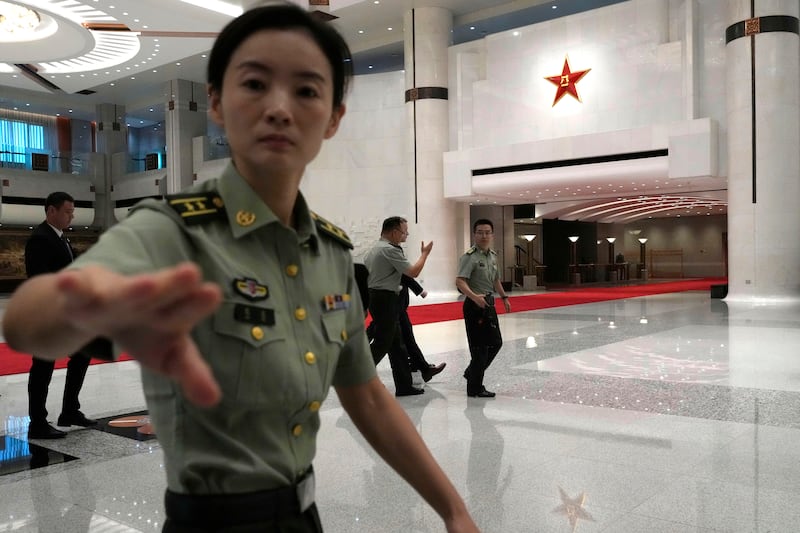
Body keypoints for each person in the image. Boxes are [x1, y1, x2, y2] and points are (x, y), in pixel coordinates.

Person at [2, 4, 478, 532]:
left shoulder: (329, 253)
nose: (279, 107)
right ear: (216, 103)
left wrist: (453, 509)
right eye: (254, 83)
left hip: (304, 514)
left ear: (334, 117)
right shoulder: (172, 230)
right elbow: (30, 322)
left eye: (306, 90)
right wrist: (83, 305)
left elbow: (365, 392)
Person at [24, 191, 97, 439]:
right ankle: (37, 423)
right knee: (43, 367)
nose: (71, 216)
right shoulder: (40, 238)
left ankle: (69, 410)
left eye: (72, 211)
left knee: (82, 354)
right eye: (67, 211)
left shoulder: (60, 238)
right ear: (51, 211)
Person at [363, 216, 432, 396]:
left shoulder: (376, 248)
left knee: (396, 345)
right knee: (382, 343)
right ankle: (357, 378)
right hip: (384, 299)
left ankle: (404, 386)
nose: (406, 235)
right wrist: (424, 254)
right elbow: (413, 272)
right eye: (404, 232)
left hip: (381, 298)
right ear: (394, 232)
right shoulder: (389, 250)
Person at [456, 219, 511, 398]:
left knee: (496, 342)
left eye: (487, 232)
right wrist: (474, 297)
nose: (484, 236)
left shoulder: (493, 256)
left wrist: (504, 298)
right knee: (479, 348)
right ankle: (475, 388)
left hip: (489, 303)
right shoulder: (469, 256)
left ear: (492, 234)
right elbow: (460, 281)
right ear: (474, 234)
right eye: (480, 232)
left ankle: (472, 372)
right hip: (474, 305)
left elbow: (495, 280)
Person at [366, 274, 446, 382]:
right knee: (403, 338)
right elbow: (406, 272)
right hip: (394, 303)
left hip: (391, 302)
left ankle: (419, 366)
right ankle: (423, 368)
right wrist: (419, 289)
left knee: (389, 333)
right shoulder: (389, 257)